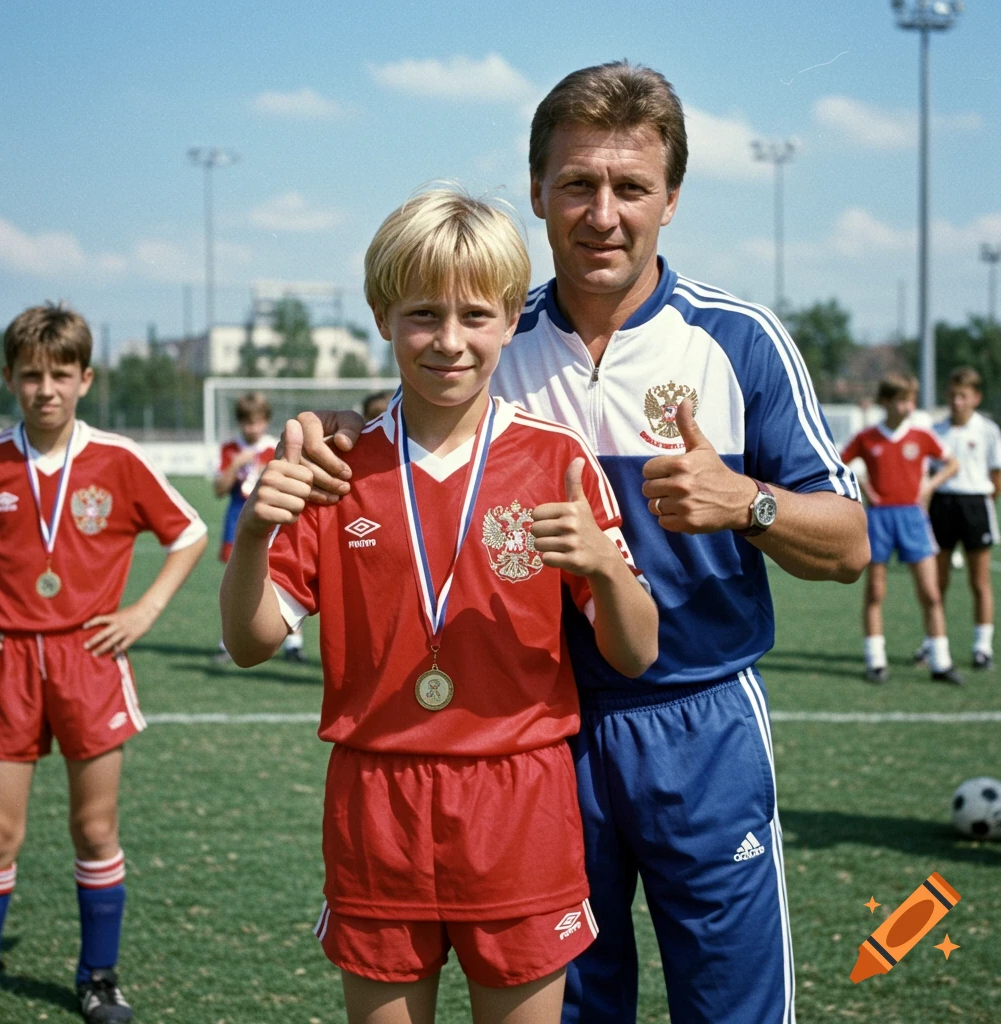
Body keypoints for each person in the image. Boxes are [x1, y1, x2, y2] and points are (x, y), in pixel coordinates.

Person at [295, 62, 870, 1024]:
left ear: (671, 200)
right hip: (539, 738)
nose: (603, 213)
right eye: (577, 184)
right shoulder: (491, 335)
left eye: (631, 187)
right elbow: (389, 440)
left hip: (701, 721)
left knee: (731, 1003)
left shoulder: (740, 340)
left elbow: (850, 543)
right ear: (538, 193)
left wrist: (748, 504)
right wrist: (328, 425)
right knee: (573, 1010)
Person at [220, 188, 658, 1024]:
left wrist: (606, 567)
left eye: (475, 316)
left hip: (518, 799)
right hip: (375, 800)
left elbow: (636, 651)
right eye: (424, 315)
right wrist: (251, 536)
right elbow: (249, 642)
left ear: (506, 320)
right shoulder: (336, 467)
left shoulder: (556, 458)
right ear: (384, 317)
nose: (450, 342)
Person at [0, 304, 208, 1023]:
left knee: (95, 828)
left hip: (88, 658)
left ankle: (99, 976)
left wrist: (143, 613)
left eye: (61, 374)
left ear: (85, 378)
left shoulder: (117, 458)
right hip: (6, 662)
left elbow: (190, 532)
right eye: (31, 375)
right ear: (11, 379)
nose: (46, 388)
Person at [841, 373, 960, 685]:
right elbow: (838, 463)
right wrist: (864, 486)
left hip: (913, 517)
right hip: (879, 518)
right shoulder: (867, 437)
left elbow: (952, 464)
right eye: (902, 400)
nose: (909, 407)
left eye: (911, 400)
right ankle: (876, 660)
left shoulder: (921, 436)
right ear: (886, 402)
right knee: (876, 590)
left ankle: (940, 661)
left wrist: (930, 487)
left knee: (931, 593)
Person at [213, 392, 304, 663]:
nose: (252, 428)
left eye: (257, 422)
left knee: (286, 576)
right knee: (236, 577)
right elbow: (218, 489)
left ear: (265, 421)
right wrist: (234, 466)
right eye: (246, 422)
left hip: (273, 519)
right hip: (236, 519)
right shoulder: (229, 449)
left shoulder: (275, 447)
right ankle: (228, 640)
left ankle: (294, 643)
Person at [927, 367, 1001, 670]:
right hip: (942, 504)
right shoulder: (937, 430)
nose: (957, 401)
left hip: (974, 506)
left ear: (975, 398)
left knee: (979, 581)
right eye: (953, 395)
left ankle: (982, 646)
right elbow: (931, 472)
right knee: (937, 582)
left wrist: (983, 501)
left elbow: (996, 475)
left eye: (964, 396)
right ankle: (933, 643)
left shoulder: (988, 430)